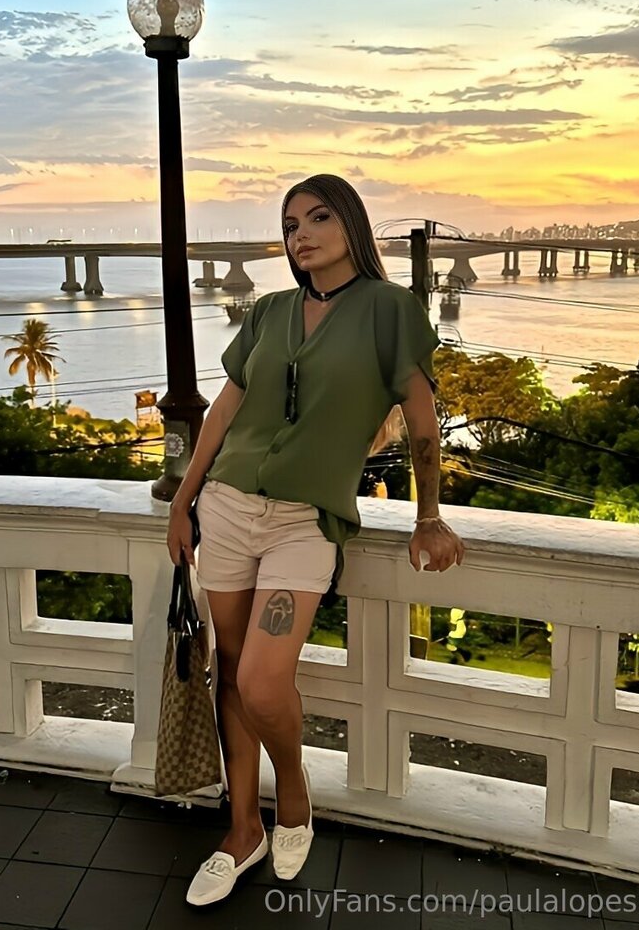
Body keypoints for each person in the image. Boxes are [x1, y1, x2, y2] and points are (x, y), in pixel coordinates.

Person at [166, 174, 464, 906]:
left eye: (318, 217)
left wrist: (429, 515)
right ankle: (243, 830)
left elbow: (423, 424)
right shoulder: (269, 311)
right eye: (290, 224)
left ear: (351, 224)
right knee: (229, 671)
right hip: (226, 509)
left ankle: (293, 793)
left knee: (262, 681)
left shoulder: (391, 310)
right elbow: (222, 410)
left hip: (305, 523)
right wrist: (184, 498)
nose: (301, 234)